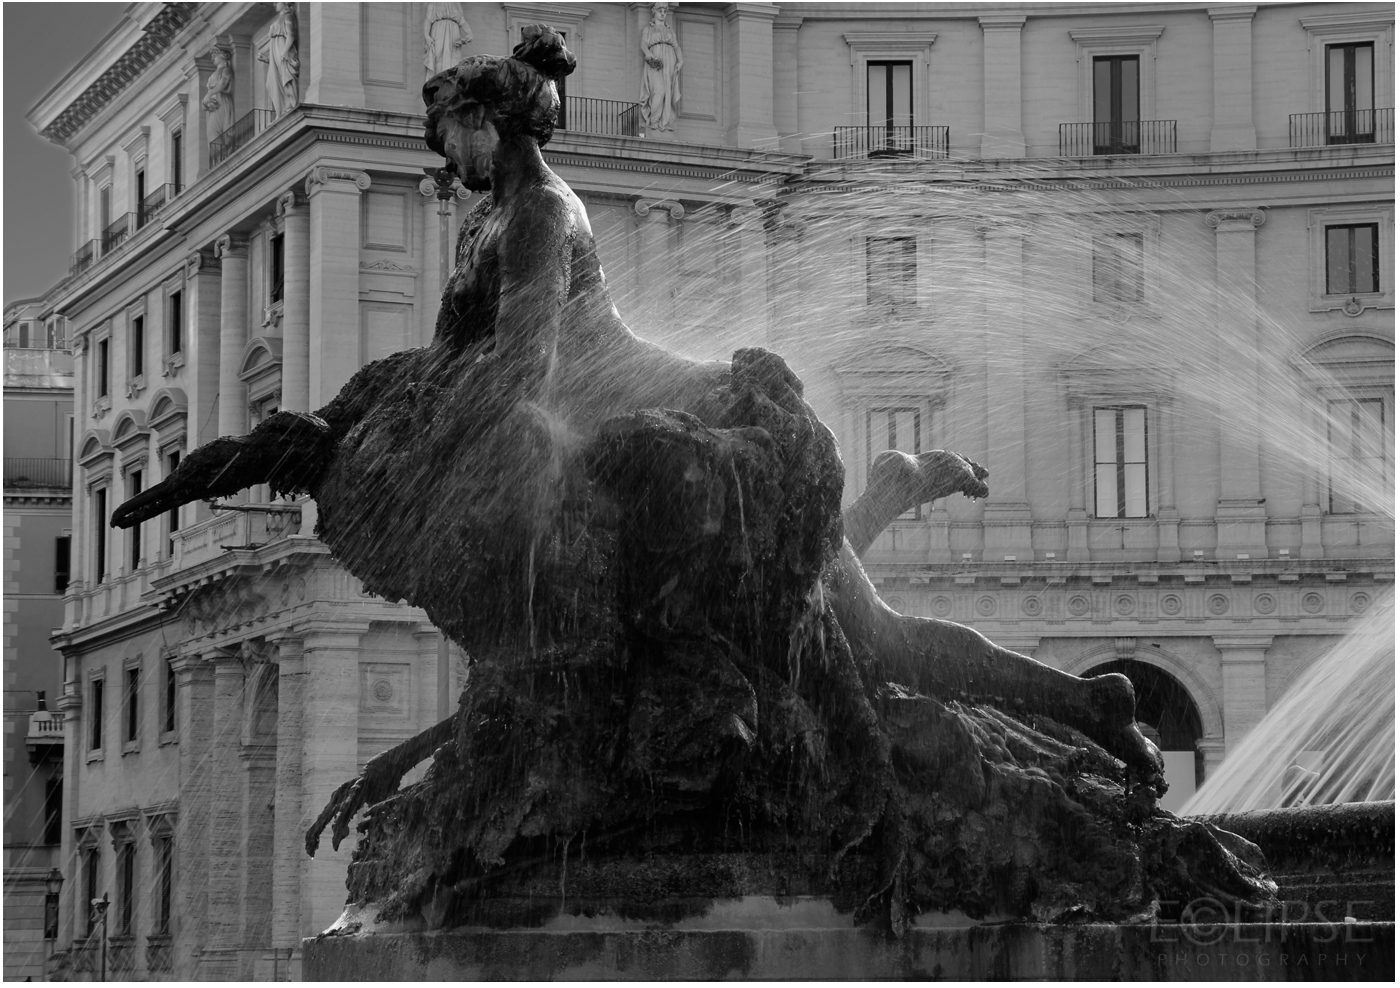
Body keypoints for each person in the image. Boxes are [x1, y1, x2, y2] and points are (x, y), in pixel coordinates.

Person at [640, 3, 682, 132]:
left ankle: (664, 121)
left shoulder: (670, 30)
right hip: (655, 60)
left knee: (668, 91)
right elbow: (643, 44)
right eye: (660, 10)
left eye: (665, 11)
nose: (663, 13)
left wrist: (680, 61)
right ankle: (654, 121)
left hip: (669, 60)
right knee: (659, 90)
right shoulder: (649, 28)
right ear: (654, 12)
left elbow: (676, 47)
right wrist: (649, 55)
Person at [261, 2, 300, 117]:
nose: (274, 4)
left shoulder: (288, 17)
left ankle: (290, 103)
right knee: (273, 80)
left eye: (277, 2)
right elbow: (273, 40)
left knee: (285, 75)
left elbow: (291, 35)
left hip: (283, 50)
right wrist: (262, 52)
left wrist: (284, 51)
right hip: (276, 50)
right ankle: (281, 108)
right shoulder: (279, 19)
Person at [424, 2, 473, 79]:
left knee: (454, 58)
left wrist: (469, 33)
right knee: (438, 57)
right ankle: (438, 81)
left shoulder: (456, 4)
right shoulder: (434, 3)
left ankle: (451, 81)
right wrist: (426, 35)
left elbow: (462, 21)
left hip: (454, 31)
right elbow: (428, 20)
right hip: (439, 30)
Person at [203, 47, 234, 142]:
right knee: (211, 132)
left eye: (215, 55)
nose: (212, 58)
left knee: (220, 131)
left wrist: (209, 94)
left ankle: (223, 154)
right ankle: (218, 156)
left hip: (222, 101)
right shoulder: (215, 73)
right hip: (213, 105)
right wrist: (205, 102)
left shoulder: (226, 70)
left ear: (223, 57)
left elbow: (223, 84)